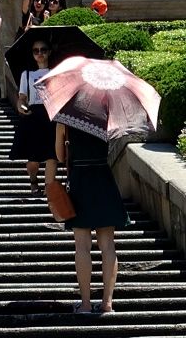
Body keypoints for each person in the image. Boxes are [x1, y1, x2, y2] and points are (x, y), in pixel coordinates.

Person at [55, 105, 130, 316]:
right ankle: (107, 303)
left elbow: (60, 157)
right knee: (108, 245)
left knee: (82, 246)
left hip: (80, 179)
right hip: (103, 178)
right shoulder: (105, 114)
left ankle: (86, 304)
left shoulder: (66, 116)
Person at [10, 35, 57, 193]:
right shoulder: (27, 74)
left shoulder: (55, 72)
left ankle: (48, 188)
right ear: (32, 54)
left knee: (52, 155)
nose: (40, 53)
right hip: (34, 113)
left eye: (43, 50)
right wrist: (21, 106)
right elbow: (22, 98)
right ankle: (33, 180)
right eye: (36, 51)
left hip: (51, 114)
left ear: (49, 52)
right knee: (33, 159)